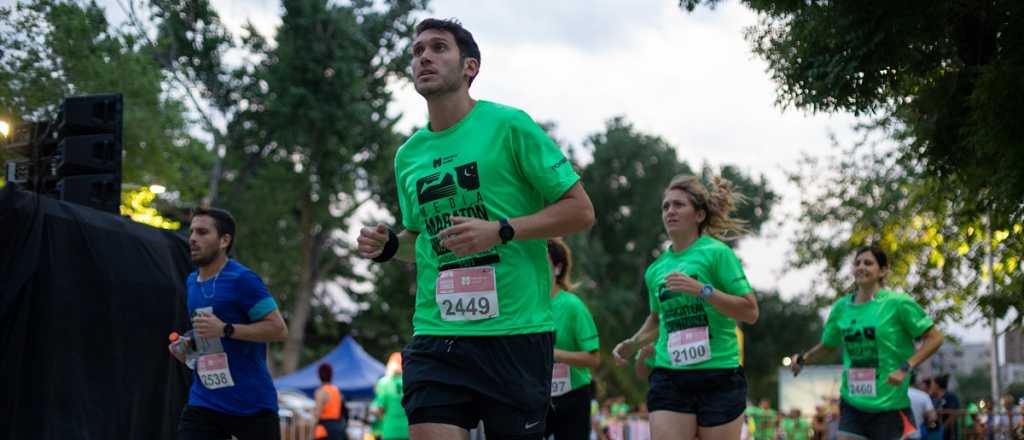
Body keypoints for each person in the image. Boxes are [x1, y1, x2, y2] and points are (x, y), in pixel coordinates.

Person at [356, 17, 595, 440]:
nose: (424, 56)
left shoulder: (509, 125)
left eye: (438, 47)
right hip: (437, 331)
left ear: (470, 67)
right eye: (417, 51)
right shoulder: (409, 155)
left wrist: (501, 230)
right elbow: (423, 239)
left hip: (515, 333)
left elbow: (580, 211)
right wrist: (392, 245)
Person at [612, 175, 760, 440]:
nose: (670, 211)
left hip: (719, 375)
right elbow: (657, 321)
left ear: (699, 214)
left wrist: (702, 290)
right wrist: (632, 343)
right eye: (666, 206)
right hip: (670, 376)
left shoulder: (717, 254)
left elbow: (750, 311)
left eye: (678, 205)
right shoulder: (655, 270)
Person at [790, 245, 945, 440]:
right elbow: (828, 345)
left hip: (889, 405)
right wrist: (804, 359)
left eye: (868, 263)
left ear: (883, 270)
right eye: (857, 263)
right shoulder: (841, 308)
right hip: (852, 402)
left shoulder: (897, 303)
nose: (861, 267)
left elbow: (935, 338)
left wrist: (906, 367)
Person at [169, 207, 289, 440]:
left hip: (251, 403)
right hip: (205, 401)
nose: (192, 238)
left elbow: (278, 329)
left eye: (202, 232)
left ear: (224, 240)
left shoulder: (243, 280)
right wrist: (189, 347)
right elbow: (206, 334)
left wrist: (225, 329)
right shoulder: (192, 282)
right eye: (192, 231)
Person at [545, 238, 601, 440]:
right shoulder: (527, 306)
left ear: (557, 268)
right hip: (537, 392)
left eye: (543, 261)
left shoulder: (572, 306)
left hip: (572, 395)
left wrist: (554, 354)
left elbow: (593, 359)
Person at [370, 352, 410, 440]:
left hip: (390, 430)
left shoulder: (384, 383)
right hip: (408, 430)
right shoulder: (409, 382)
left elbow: (380, 409)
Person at [313, 363, 346, 440]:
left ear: (319, 375)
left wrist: (312, 430)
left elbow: (317, 414)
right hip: (338, 427)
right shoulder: (336, 390)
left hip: (324, 429)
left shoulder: (321, 392)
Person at [928, 374, 961, 440]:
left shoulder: (950, 397)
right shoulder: (931, 397)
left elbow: (954, 413)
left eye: (932, 384)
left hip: (949, 433)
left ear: (937, 385)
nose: (931, 386)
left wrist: (943, 428)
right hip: (934, 432)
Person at [908, 374, 938, 440]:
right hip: (915, 434)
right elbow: (933, 417)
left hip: (897, 435)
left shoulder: (894, 396)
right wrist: (927, 425)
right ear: (914, 381)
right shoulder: (923, 396)